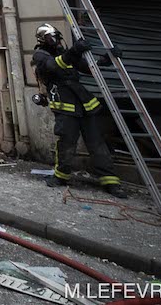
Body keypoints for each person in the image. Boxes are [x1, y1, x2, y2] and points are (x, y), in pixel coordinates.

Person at [31, 23, 124, 197]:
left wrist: (107, 59)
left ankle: (110, 181)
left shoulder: (64, 53)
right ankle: (61, 176)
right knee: (67, 142)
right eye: (52, 38)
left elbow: (88, 68)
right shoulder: (40, 55)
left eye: (57, 37)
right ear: (43, 40)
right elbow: (53, 67)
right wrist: (74, 51)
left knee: (97, 143)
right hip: (64, 105)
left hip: (83, 104)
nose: (56, 41)